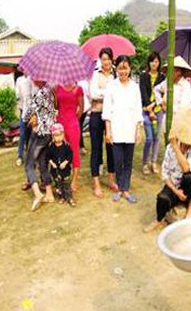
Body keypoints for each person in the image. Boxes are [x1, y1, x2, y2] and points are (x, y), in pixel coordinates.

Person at [144, 104, 191, 233]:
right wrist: (176, 192)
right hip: (175, 186)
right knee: (162, 198)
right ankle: (159, 220)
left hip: (190, 188)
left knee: (190, 177)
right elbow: (165, 174)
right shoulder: (170, 148)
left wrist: (176, 147)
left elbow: (187, 168)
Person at [102, 55, 143, 204]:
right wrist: (108, 131)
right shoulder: (111, 86)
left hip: (130, 128)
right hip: (116, 129)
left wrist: (138, 130)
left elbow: (138, 109)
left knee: (128, 161)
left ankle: (125, 189)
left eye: (125, 68)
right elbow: (106, 110)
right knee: (118, 161)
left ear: (130, 68)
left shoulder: (134, 86)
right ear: (116, 68)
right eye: (120, 68)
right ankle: (119, 187)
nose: (123, 71)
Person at [22, 80, 57, 211]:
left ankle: (38, 194)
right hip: (48, 133)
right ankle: (49, 193)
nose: (32, 80)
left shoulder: (41, 93)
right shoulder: (52, 91)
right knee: (42, 163)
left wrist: (31, 117)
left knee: (29, 164)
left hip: (38, 134)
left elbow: (26, 115)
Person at [88, 48, 118, 198]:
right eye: (103, 59)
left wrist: (104, 93)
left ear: (112, 59)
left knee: (111, 147)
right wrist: (109, 94)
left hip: (112, 117)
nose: (106, 62)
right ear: (100, 60)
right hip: (96, 114)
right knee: (96, 149)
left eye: (108, 58)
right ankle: (96, 183)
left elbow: (118, 94)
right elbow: (92, 94)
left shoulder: (116, 74)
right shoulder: (95, 74)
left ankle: (111, 179)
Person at [139, 52, 166, 175]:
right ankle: (145, 162)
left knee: (156, 137)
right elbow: (143, 93)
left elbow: (162, 94)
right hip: (145, 110)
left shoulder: (162, 77)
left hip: (158, 110)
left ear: (159, 63)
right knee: (149, 138)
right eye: (152, 61)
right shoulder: (143, 76)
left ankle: (154, 162)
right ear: (148, 63)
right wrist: (149, 109)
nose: (154, 64)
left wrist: (155, 106)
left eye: (156, 61)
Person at [55, 82, 84, 192]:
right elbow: (55, 105)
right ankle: (62, 178)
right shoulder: (57, 87)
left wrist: (74, 120)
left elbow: (81, 108)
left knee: (74, 152)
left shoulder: (78, 89)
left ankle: (74, 180)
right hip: (60, 124)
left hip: (72, 125)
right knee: (60, 151)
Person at [47, 123, 75, 206]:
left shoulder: (66, 146)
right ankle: (61, 197)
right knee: (58, 185)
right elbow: (48, 157)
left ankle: (69, 198)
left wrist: (66, 162)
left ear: (63, 135)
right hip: (55, 171)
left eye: (60, 135)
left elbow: (70, 155)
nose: (58, 138)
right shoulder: (51, 147)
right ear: (53, 136)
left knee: (66, 185)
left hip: (65, 171)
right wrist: (52, 163)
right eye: (56, 135)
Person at [15, 66, 35, 166]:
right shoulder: (19, 80)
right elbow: (17, 95)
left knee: (33, 133)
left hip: (33, 111)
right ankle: (20, 155)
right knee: (23, 134)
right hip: (24, 109)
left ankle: (32, 154)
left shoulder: (33, 79)